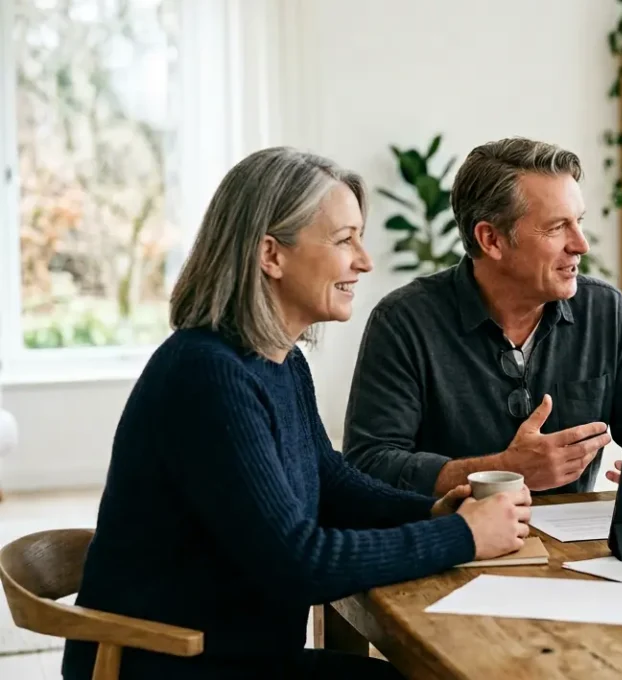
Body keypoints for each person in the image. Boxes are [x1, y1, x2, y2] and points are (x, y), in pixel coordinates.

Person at [62, 148, 531, 680]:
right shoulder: (206, 375)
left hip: (237, 655)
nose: (364, 260)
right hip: (170, 665)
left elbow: (329, 481)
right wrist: (462, 537)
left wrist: (431, 513)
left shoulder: (280, 361)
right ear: (271, 255)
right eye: (343, 239)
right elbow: (299, 563)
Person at [342, 136, 622, 497]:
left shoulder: (605, 311)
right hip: (454, 539)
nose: (580, 244)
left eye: (579, 222)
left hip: (576, 544)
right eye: (557, 227)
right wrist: (502, 471)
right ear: (491, 239)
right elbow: (368, 466)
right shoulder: (404, 321)